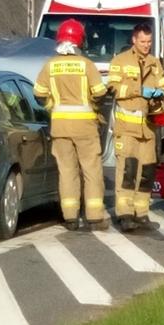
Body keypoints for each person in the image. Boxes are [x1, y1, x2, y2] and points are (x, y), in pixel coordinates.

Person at [33, 19, 111, 230]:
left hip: (60, 127)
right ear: (80, 41)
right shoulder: (86, 65)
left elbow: (39, 94)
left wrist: (53, 103)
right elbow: (99, 93)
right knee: (91, 170)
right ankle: (94, 216)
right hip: (85, 127)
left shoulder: (50, 66)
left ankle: (70, 216)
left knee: (67, 171)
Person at [107, 22, 164, 232]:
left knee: (146, 173)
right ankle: (125, 214)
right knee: (128, 171)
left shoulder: (155, 63)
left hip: (148, 129)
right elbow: (113, 88)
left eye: (149, 41)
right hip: (127, 130)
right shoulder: (120, 61)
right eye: (143, 41)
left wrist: (163, 94)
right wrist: (138, 90)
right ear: (134, 40)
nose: (146, 45)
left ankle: (141, 214)